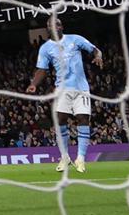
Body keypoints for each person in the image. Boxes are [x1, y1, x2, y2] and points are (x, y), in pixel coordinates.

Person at [26, 16, 103, 173]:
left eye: (58, 24)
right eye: (52, 25)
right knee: (60, 120)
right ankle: (65, 157)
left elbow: (94, 49)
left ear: (62, 26)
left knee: (83, 119)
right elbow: (42, 70)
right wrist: (34, 84)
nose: (56, 27)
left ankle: (80, 159)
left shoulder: (75, 39)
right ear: (48, 29)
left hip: (81, 88)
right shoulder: (46, 48)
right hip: (62, 89)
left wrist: (98, 55)